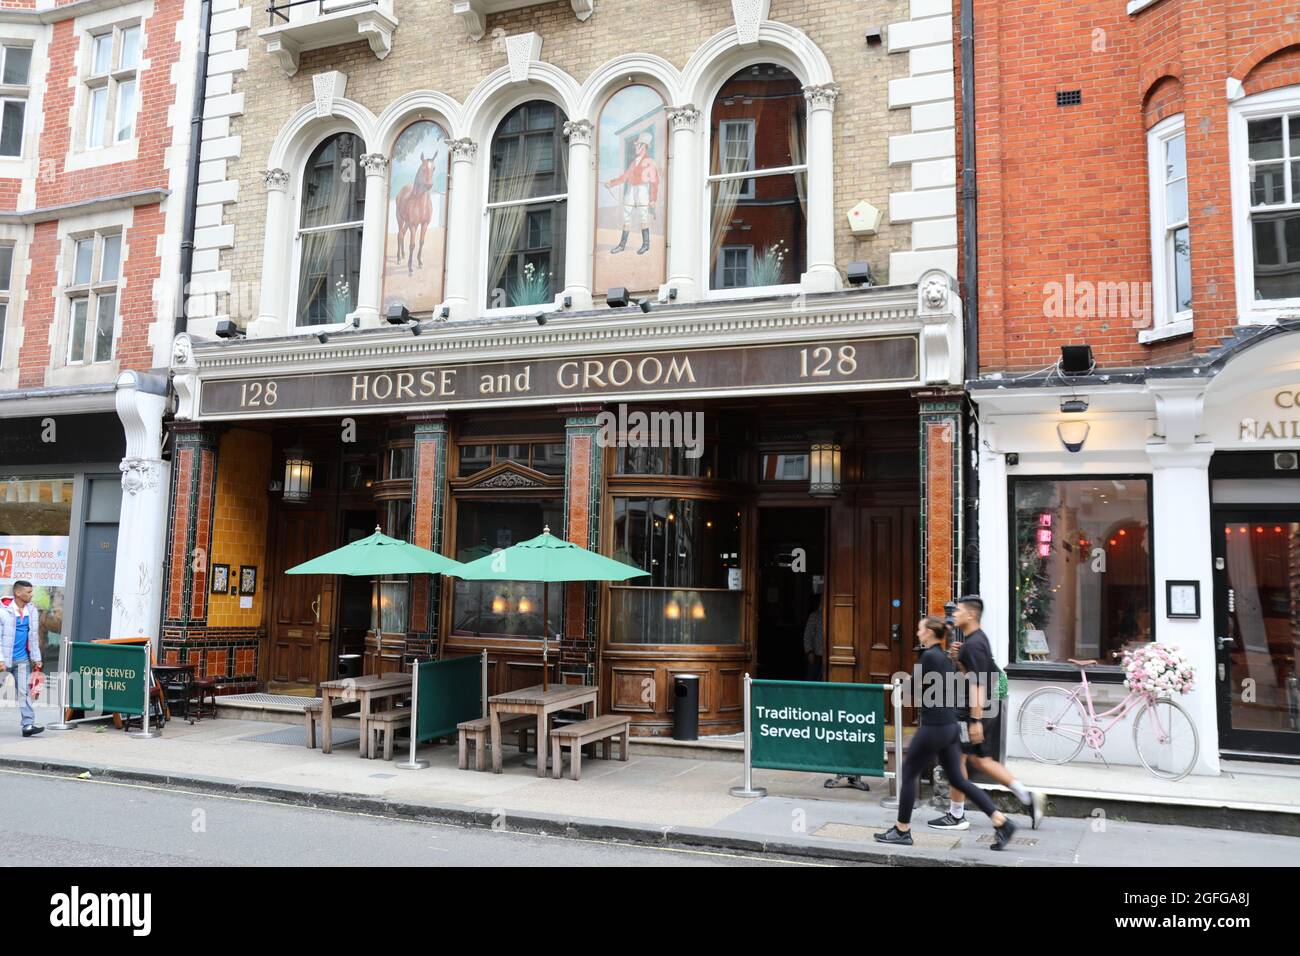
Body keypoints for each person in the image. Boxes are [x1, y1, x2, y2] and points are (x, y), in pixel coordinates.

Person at [875, 616, 1017, 850]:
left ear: (930, 632)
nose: (918, 632)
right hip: (951, 726)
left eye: (920, 628)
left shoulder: (929, 656)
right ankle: (1001, 821)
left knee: (908, 773)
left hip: (934, 726)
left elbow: (909, 693)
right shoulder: (944, 658)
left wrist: (909, 681)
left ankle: (902, 829)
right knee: (959, 779)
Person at [930, 595, 1045, 830]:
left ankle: (956, 815)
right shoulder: (974, 642)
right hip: (982, 704)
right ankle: (1027, 797)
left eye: (958, 611)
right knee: (979, 760)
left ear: (971, 615)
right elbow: (972, 674)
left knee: (957, 759)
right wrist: (957, 659)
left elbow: (978, 684)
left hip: (975, 708)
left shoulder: (974, 644)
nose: (954, 615)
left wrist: (975, 720)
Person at [0, 580, 44, 738]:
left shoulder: (32, 611)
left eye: (32, 592)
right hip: (3, 661)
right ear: (18, 593)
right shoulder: (3, 611)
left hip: (22, 660)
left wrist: (36, 658)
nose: (32, 595)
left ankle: (28, 725)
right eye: (29, 592)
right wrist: (1, 659)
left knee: (24, 693)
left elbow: (33, 637)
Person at [604, 131, 660, 255]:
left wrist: (653, 199)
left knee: (643, 216)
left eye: (638, 144)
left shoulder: (650, 162)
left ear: (644, 146)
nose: (635, 146)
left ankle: (646, 245)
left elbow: (654, 181)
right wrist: (611, 183)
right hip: (631, 189)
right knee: (626, 216)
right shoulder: (634, 162)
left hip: (642, 190)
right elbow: (624, 177)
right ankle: (622, 245)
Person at [803, 592, 824, 681]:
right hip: (816, 655)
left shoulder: (833, 615)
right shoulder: (814, 616)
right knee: (812, 680)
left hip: (829, 656)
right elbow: (807, 635)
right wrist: (809, 652)